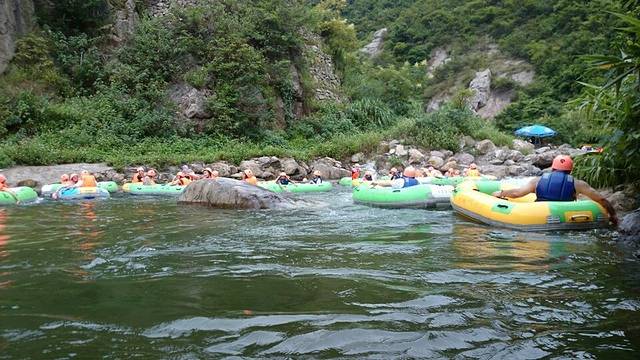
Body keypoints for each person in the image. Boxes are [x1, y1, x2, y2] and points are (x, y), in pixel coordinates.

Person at [492, 155, 618, 225]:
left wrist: (501, 193)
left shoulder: (537, 180)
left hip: (538, 216)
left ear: (553, 168)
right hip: (568, 218)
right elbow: (601, 199)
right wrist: (613, 215)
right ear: (570, 170)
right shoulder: (578, 183)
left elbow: (517, 193)